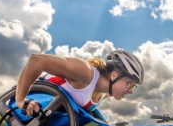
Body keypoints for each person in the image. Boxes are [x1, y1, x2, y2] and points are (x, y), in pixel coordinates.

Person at [15, 49, 144, 117]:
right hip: (27, 102)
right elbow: (36, 60)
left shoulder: (103, 94)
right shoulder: (86, 73)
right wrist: (21, 99)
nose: (130, 90)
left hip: (44, 114)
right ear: (114, 74)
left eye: (133, 87)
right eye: (129, 84)